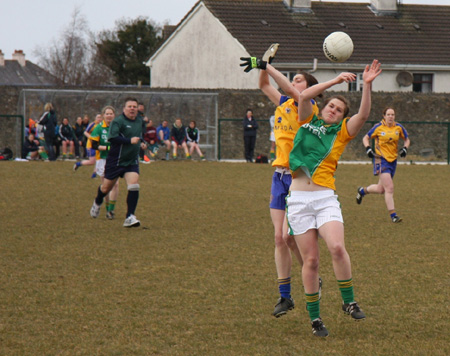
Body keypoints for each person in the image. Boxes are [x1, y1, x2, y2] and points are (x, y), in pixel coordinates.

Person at [286, 60, 382, 337]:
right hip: (298, 200)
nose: (334, 110)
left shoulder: (340, 134)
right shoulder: (306, 119)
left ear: (342, 118)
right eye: (331, 105)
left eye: (339, 110)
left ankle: (349, 302)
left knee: (338, 248)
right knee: (311, 262)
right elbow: (303, 95)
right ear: (324, 106)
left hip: (326, 197)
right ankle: (315, 319)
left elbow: (363, 116)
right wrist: (335, 81)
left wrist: (366, 85)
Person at [242, 47, 321, 318]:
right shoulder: (283, 104)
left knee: (289, 237)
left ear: (310, 89)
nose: (294, 82)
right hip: (279, 176)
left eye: (299, 79)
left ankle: (311, 273)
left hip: (300, 178)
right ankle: (285, 297)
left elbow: (293, 91)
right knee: (279, 237)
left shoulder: (306, 106)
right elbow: (265, 83)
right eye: (294, 79)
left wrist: (266, 64)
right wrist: (265, 64)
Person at [90, 97, 146, 228]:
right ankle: (98, 201)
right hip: (115, 161)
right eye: (130, 106)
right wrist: (129, 141)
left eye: (134, 106)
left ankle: (130, 216)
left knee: (134, 185)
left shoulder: (140, 121)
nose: (132, 108)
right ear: (124, 109)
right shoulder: (117, 121)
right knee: (105, 188)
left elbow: (139, 136)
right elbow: (112, 138)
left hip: (131, 161)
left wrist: (142, 142)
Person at [356, 107, 410, 223]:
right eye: (388, 114)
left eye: (392, 114)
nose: (391, 117)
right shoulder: (378, 127)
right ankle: (393, 215)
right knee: (389, 188)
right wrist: (368, 149)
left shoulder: (398, 127)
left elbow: (407, 139)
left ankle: (362, 191)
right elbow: (365, 137)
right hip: (381, 160)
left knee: (381, 189)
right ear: (384, 116)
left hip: (393, 160)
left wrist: (405, 148)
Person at [90, 106, 120, 220]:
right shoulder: (98, 128)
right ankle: (99, 205)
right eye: (107, 114)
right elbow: (93, 145)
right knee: (106, 187)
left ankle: (110, 210)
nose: (109, 116)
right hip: (102, 159)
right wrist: (105, 148)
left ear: (114, 115)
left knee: (116, 184)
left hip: (115, 159)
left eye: (111, 113)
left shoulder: (117, 128)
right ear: (103, 115)